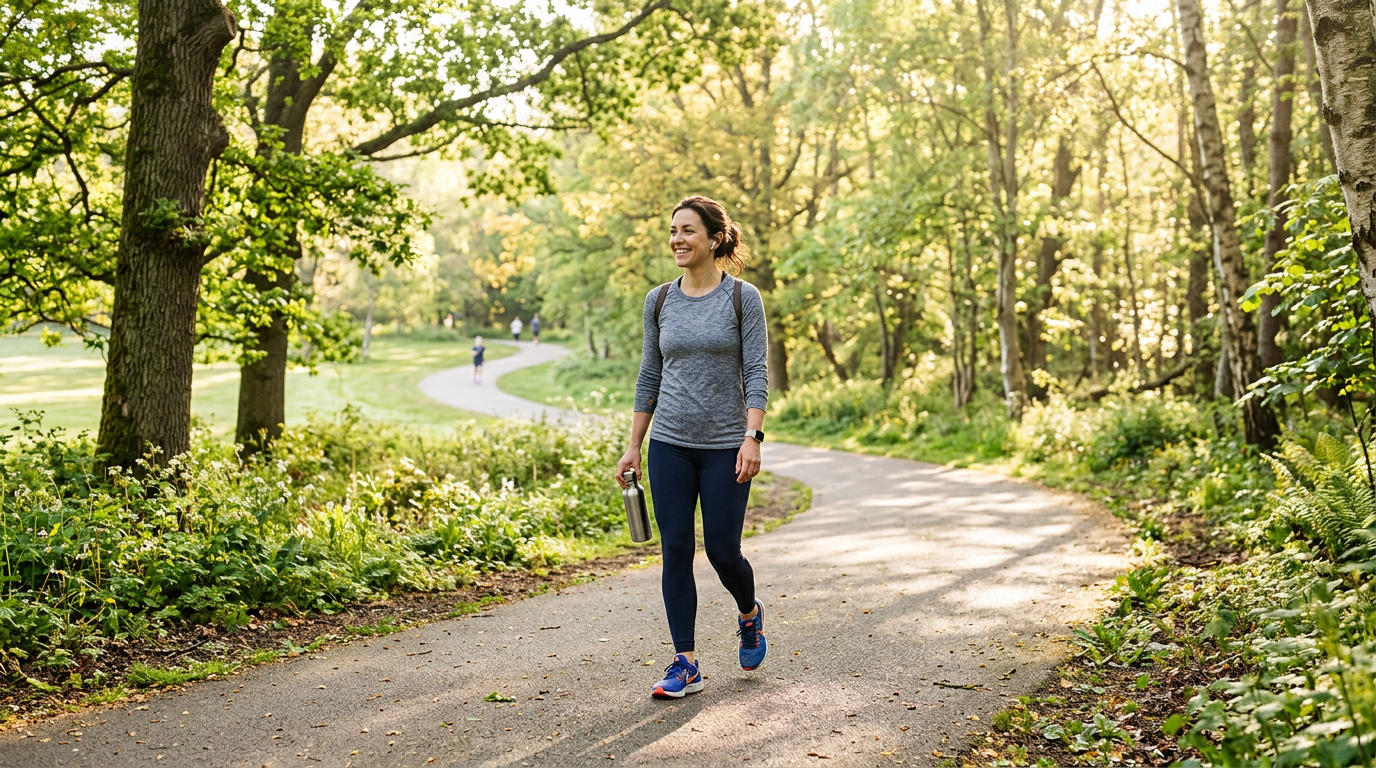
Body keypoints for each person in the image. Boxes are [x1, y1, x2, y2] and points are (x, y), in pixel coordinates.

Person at [616, 195, 770, 699]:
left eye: (687, 231)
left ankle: (749, 614)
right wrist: (633, 446)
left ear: (714, 238)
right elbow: (649, 374)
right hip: (670, 444)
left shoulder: (742, 298)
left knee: (723, 551)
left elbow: (756, 372)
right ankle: (686, 662)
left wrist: (752, 437)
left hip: (726, 444)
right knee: (676, 549)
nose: (677, 239)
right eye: (673, 231)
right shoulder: (659, 300)